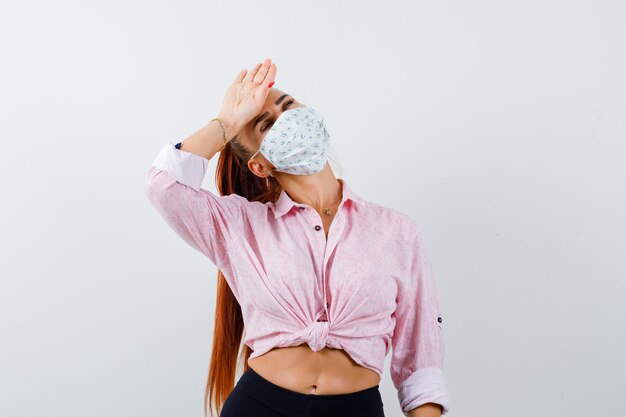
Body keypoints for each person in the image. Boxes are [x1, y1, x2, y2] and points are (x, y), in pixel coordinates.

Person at [145, 58, 451, 417]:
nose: (286, 120)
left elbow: (421, 361)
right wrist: (228, 121)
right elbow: (163, 186)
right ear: (260, 165)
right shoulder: (239, 226)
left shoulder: (396, 231)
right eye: (265, 124)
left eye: (287, 106)